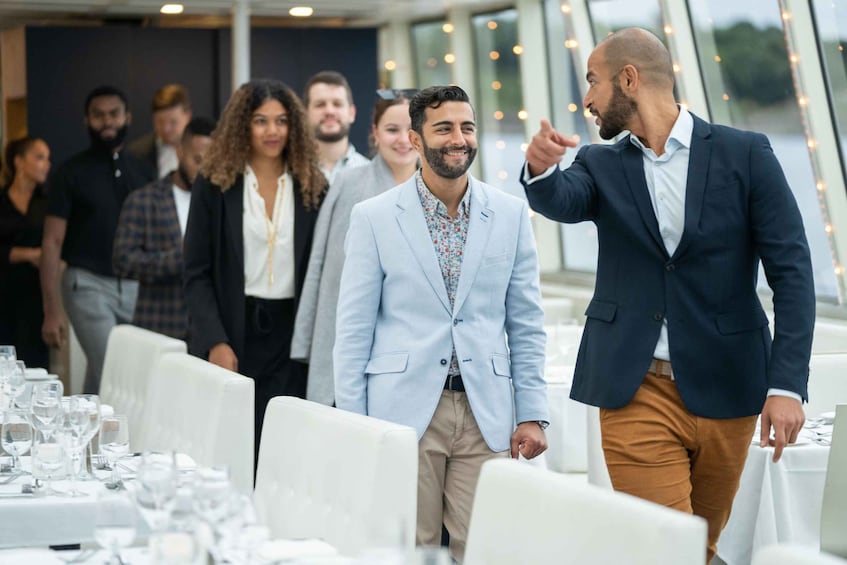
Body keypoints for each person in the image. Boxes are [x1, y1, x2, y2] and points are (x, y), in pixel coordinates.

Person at [521, 28, 815, 562]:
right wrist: (540, 170)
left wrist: (788, 385)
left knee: (699, 545)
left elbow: (792, 272)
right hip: (635, 388)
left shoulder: (745, 155)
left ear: (629, 79)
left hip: (729, 386)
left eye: (593, 81)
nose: (586, 98)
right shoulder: (598, 163)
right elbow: (562, 200)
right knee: (666, 549)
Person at [334, 85, 549, 561]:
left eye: (467, 127)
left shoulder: (511, 214)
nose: (459, 138)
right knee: (409, 548)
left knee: (487, 549)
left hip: (486, 412)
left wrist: (532, 411)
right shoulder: (373, 218)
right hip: (402, 412)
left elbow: (527, 323)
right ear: (415, 140)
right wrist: (354, 426)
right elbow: (352, 332)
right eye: (444, 128)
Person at [183, 79, 325, 463]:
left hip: (291, 335)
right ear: (242, 124)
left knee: (281, 446)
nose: (273, 131)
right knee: (230, 444)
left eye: (281, 121)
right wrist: (215, 340)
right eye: (261, 121)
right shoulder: (214, 185)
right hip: (233, 326)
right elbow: (195, 272)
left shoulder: (313, 186)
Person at [292, 88, 419, 405]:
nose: (403, 139)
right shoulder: (351, 183)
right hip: (356, 339)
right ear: (375, 133)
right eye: (392, 130)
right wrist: (310, 338)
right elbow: (326, 268)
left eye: (411, 130)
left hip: (416, 349)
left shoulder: (437, 190)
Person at [41, 85, 155, 393]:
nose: (107, 122)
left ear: (127, 117)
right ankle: (120, 439)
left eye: (114, 114)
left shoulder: (144, 171)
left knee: (105, 370)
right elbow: (51, 242)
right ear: (86, 121)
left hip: (135, 288)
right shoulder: (70, 173)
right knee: (114, 367)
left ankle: (84, 433)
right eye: (98, 115)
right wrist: (51, 310)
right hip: (86, 284)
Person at [112, 116, 216, 341]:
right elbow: (123, 261)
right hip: (159, 328)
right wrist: (182, 257)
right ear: (179, 152)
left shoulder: (222, 203)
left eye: (211, 163)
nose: (203, 171)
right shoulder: (144, 200)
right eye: (197, 160)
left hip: (208, 333)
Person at [0, 137, 51, 368]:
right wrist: (29, 254)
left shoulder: (48, 203)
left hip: (36, 294)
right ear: (19, 161)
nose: (46, 164)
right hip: (4, 292)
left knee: (34, 363)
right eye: (39, 157)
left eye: (48, 159)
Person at [302, 71, 369, 183]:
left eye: (337, 104)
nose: (329, 111)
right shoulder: (291, 171)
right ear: (305, 114)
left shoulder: (370, 173)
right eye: (320, 104)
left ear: (352, 113)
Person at [128, 84, 192, 179]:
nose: (166, 128)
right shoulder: (135, 154)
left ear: (187, 116)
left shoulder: (207, 151)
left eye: (173, 122)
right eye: (160, 122)